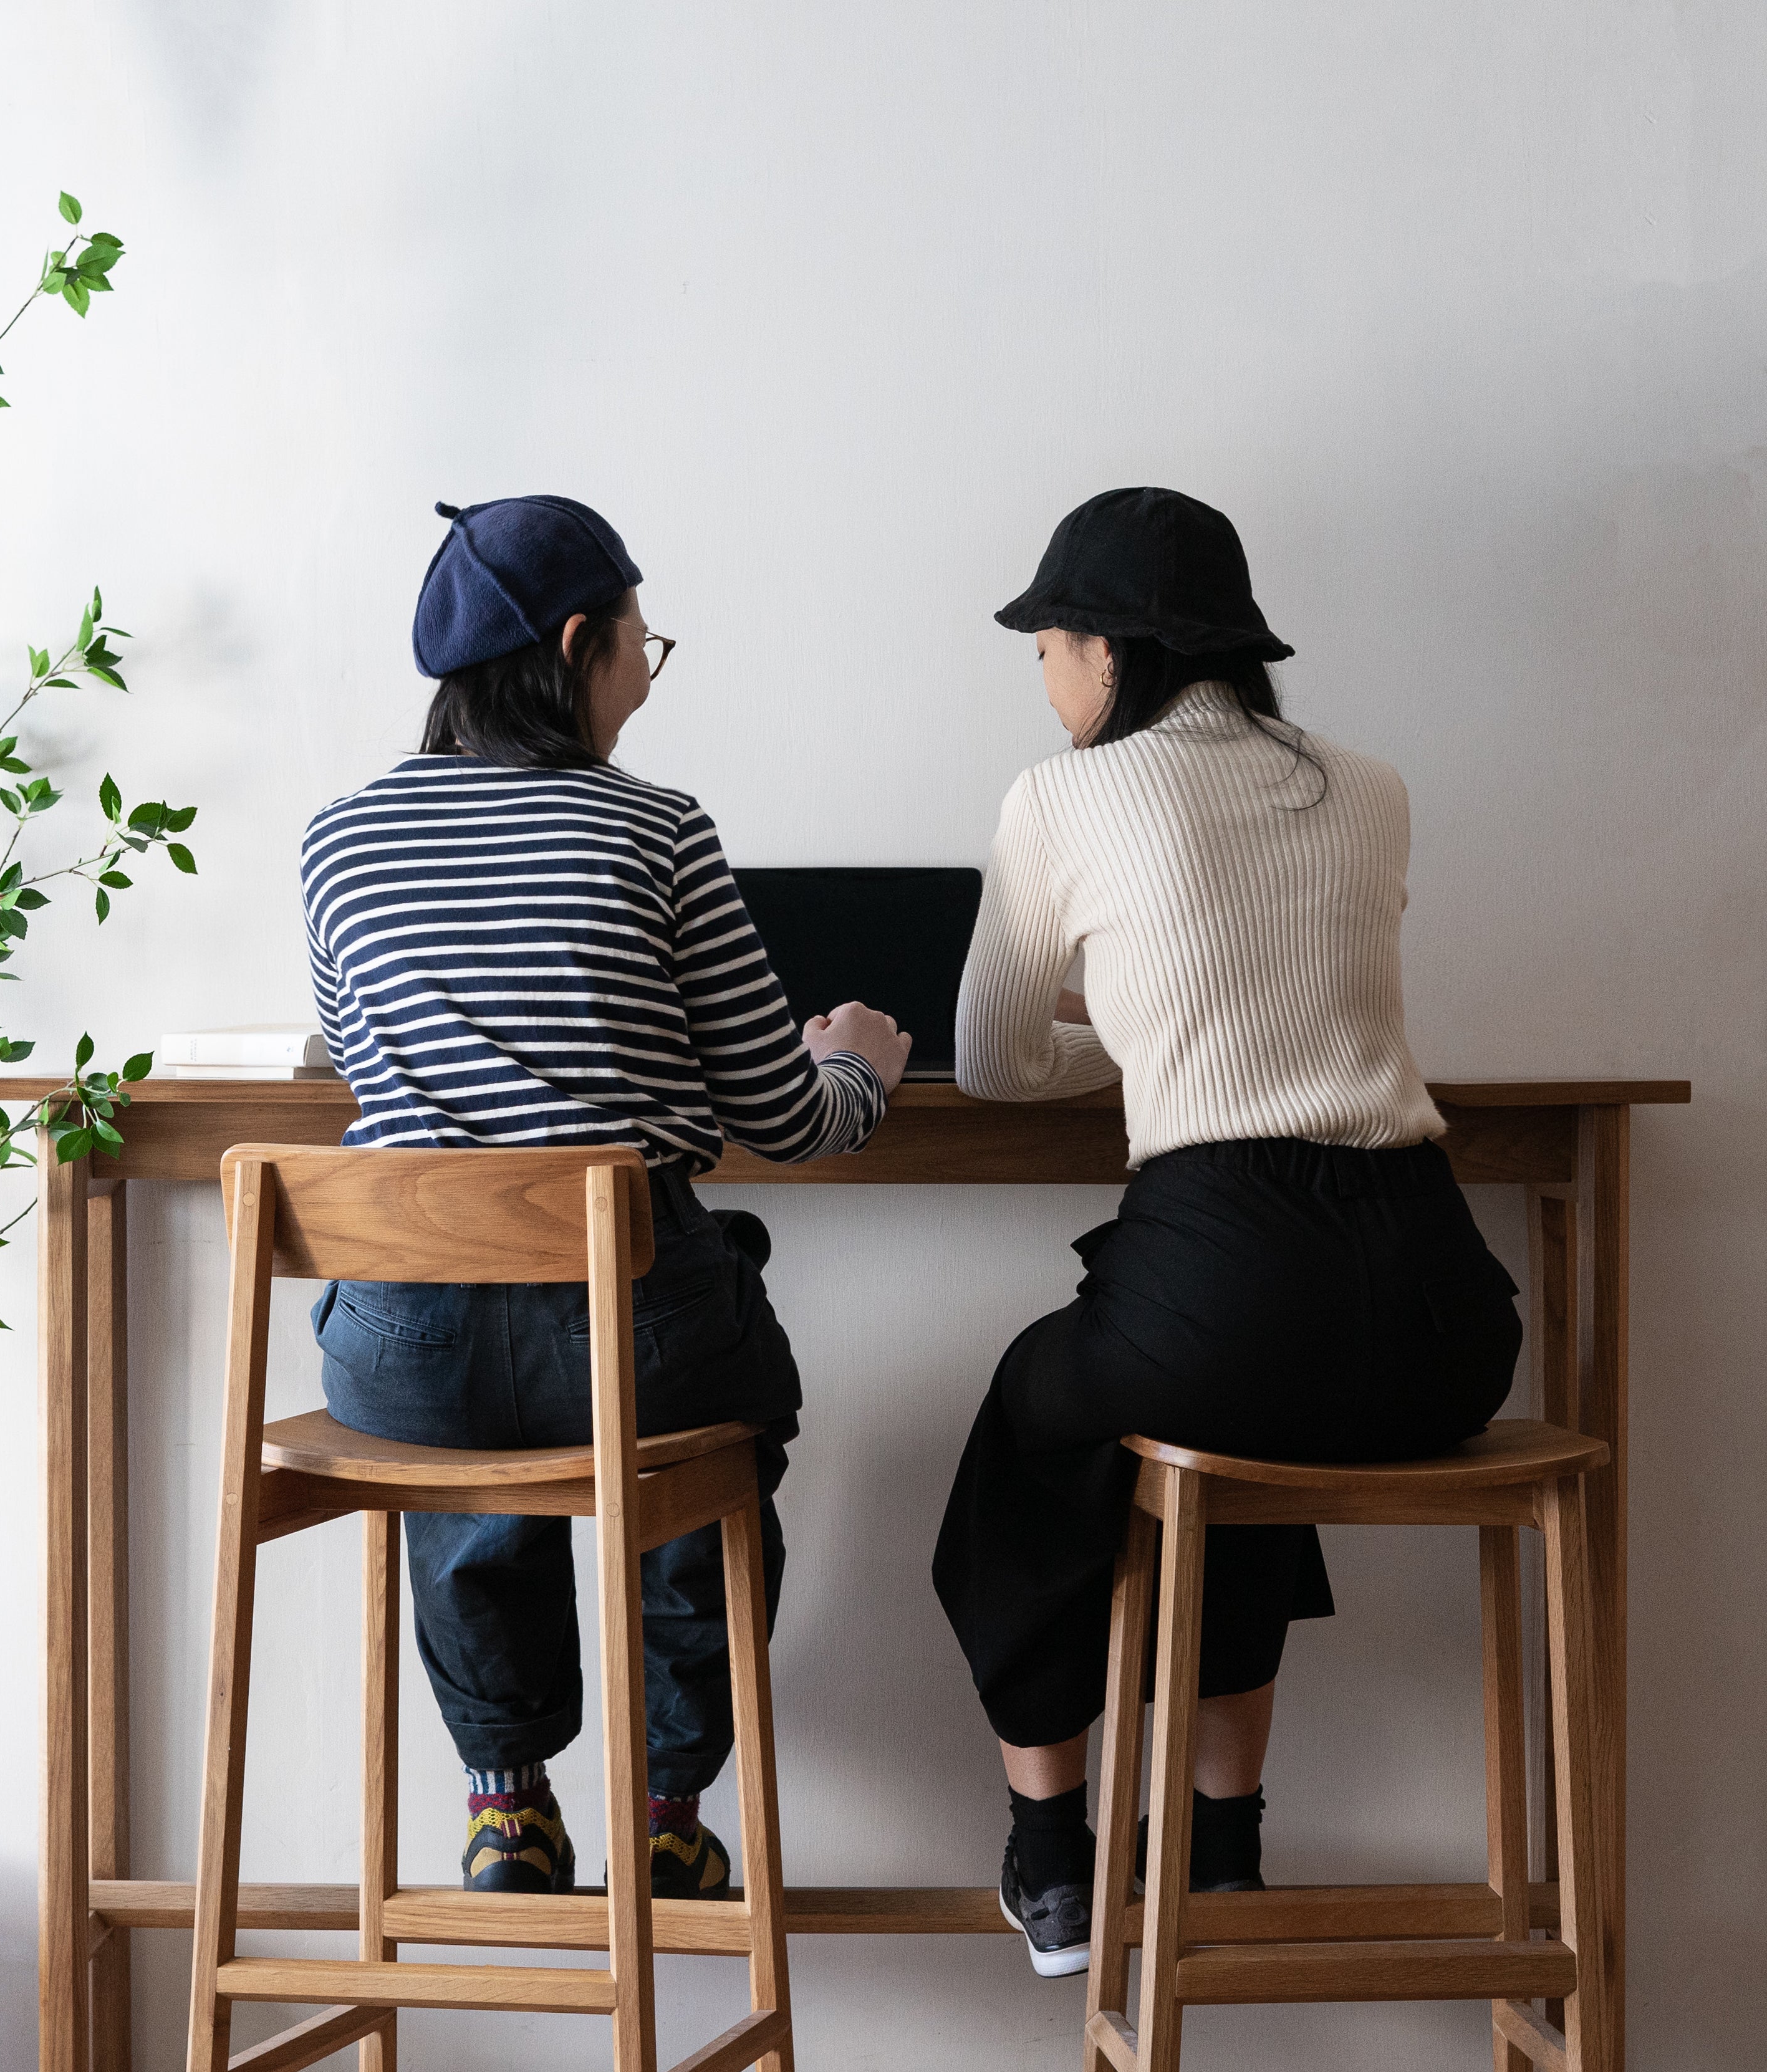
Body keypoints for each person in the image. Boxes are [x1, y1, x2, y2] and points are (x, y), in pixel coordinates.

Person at [933, 486, 1521, 1978]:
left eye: (1049, 643)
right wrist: (1156, 1019)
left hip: (1231, 1269)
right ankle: (1221, 1843)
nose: (1043, 675)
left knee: (1036, 1415)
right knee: (1245, 1430)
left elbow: (995, 1060)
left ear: (1112, 650)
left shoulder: (1057, 799)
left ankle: (1050, 1855)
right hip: (1446, 1320)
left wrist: (1117, 1033)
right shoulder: (1370, 785)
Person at [302, 494, 912, 1899]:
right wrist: (860, 1067)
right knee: (700, 1424)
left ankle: (504, 1803)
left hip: (401, 1356)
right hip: (631, 1345)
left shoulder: (336, 842)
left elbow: (353, 1056)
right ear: (581, 644)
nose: (645, 668)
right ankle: (666, 1804)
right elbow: (782, 1119)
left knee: (473, 1425)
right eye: (646, 641)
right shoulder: (658, 834)